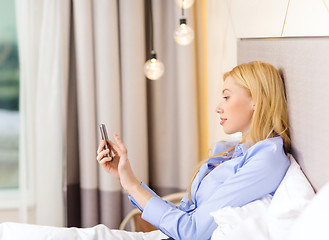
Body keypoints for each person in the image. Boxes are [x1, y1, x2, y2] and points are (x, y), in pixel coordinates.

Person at [96, 61, 291, 240]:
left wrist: (132, 186)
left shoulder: (266, 161)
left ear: (256, 100)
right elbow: (185, 215)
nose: (218, 107)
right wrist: (127, 179)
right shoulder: (232, 151)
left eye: (226, 97)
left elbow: (192, 231)